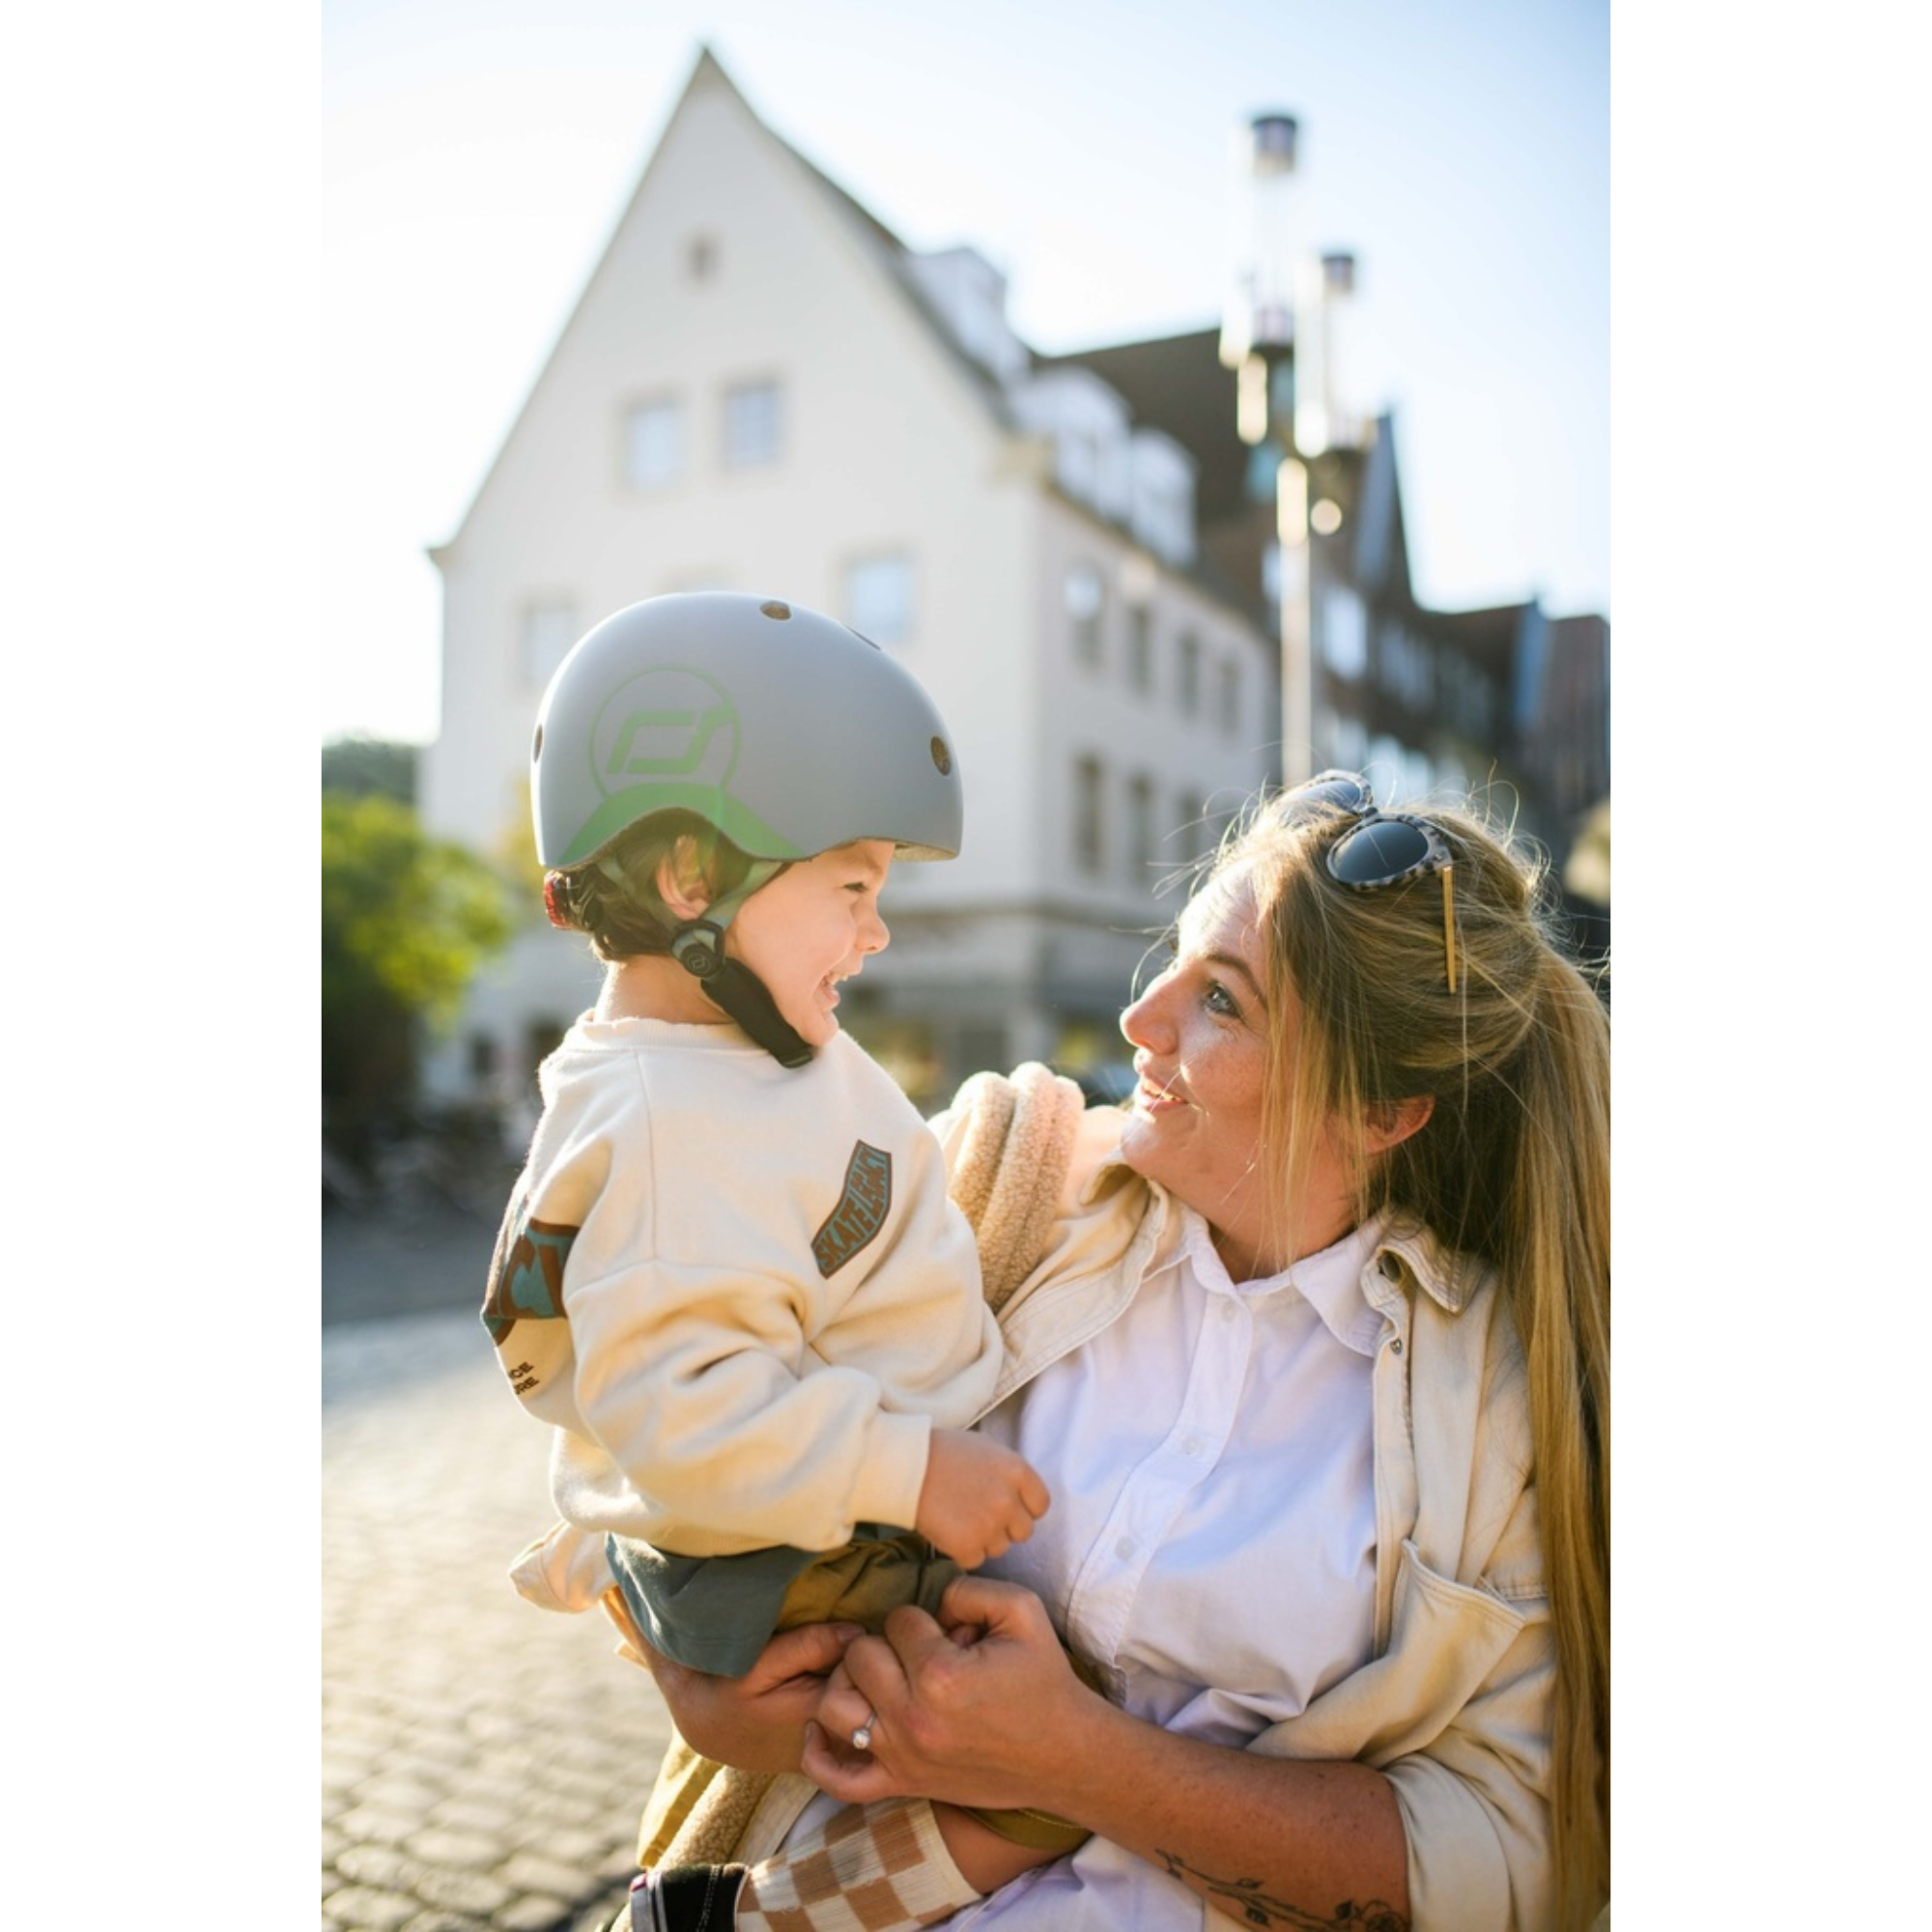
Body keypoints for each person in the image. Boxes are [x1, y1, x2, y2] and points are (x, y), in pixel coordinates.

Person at [626, 772, 1612, 1932]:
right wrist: (697, 1682)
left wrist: (1079, 1761)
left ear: (1383, 1110)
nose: (1141, 1017)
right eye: (1177, 959)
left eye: (1224, 1002)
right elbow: (645, 1366)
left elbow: (1508, 1856)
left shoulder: (1494, 1396)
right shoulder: (991, 1188)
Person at [484, 592, 1085, 1920]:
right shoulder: (664, 1128)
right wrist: (914, 1468)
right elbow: (679, 1410)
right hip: (812, 1556)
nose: (875, 932)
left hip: (805, 1526)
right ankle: (757, 1917)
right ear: (694, 881)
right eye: (852, 888)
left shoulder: (729, 1059)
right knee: (1047, 1775)